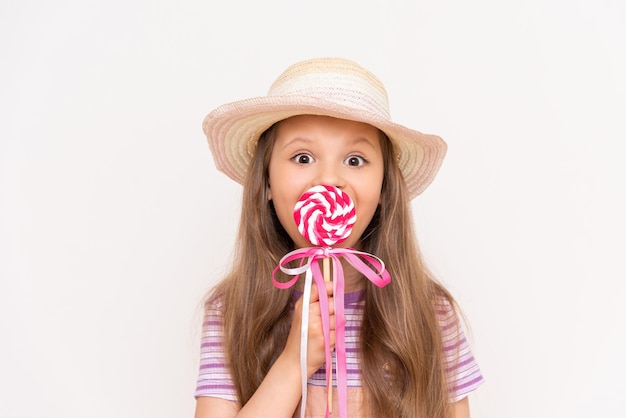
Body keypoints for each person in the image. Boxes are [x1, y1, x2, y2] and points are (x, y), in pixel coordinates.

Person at [194, 57, 483, 418]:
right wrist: (293, 362)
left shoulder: (429, 312)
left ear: (383, 188)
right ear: (266, 181)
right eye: (302, 157)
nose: (329, 179)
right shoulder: (231, 310)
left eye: (355, 160)